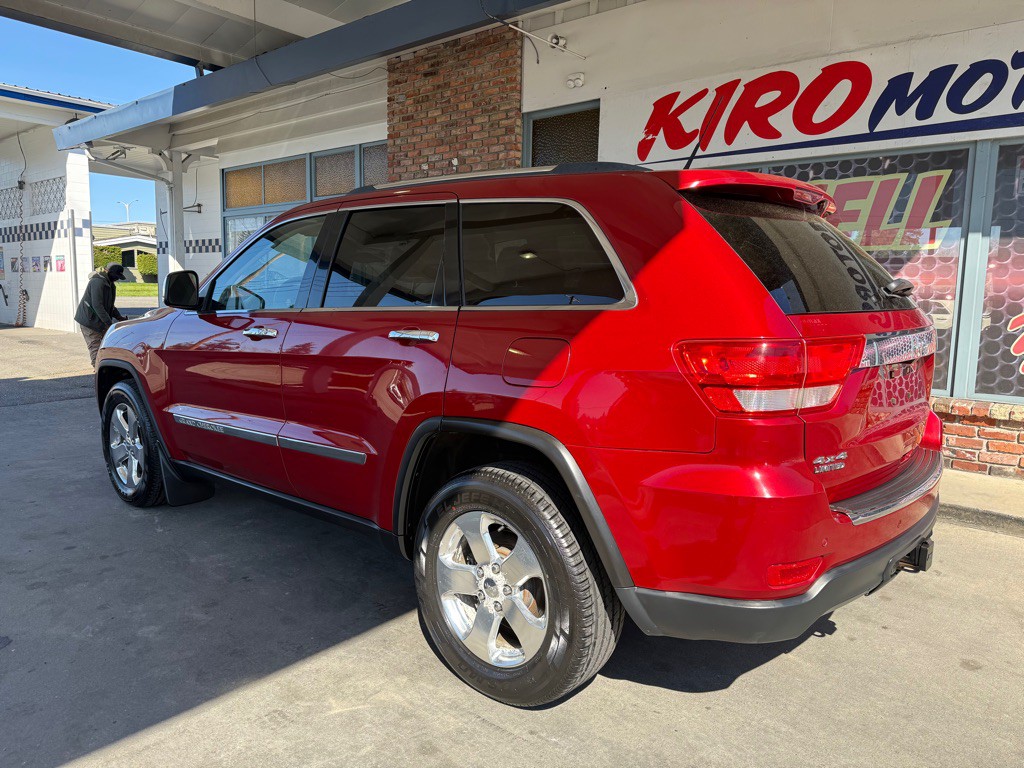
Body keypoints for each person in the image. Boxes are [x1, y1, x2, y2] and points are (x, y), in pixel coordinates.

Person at [75, 262, 128, 367]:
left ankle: (104, 368)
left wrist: (119, 318)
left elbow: (110, 306)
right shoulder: (97, 282)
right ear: (109, 272)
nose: (117, 279)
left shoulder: (110, 284)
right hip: (89, 320)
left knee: (105, 346)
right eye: (116, 276)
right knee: (95, 346)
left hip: (99, 320)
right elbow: (97, 305)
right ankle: (98, 371)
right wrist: (109, 323)